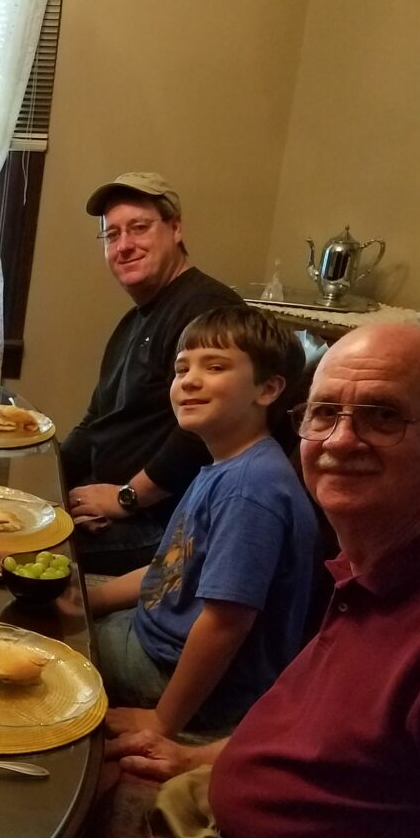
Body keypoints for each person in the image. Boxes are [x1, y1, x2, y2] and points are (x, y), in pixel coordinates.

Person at [54, 323, 420, 838]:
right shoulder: (383, 558)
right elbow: (323, 732)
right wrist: (193, 757)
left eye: (382, 415)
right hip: (215, 837)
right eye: (325, 415)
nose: (342, 440)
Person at [87, 307, 317, 737]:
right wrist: (83, 602)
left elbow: (226, 624)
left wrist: (162, 721)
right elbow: (168, 570)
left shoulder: (251, 488)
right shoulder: (225, 466)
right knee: (56, 613)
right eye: (181, 368)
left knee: (45, 644)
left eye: (215, 367)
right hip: (153, 639)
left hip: (182, 679)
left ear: (267, 389)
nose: (189, 380)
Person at [61, 172, 243, 575]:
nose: (124, 246)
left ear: (175, 228)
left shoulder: (207, 310)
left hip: (163, 522)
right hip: (111, 501)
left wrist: (127, 498)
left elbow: (206, 428)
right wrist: (47, 486)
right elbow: (95, 422)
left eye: (139, 228)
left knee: (19, 553)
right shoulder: (134, 320)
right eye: (112, 236)